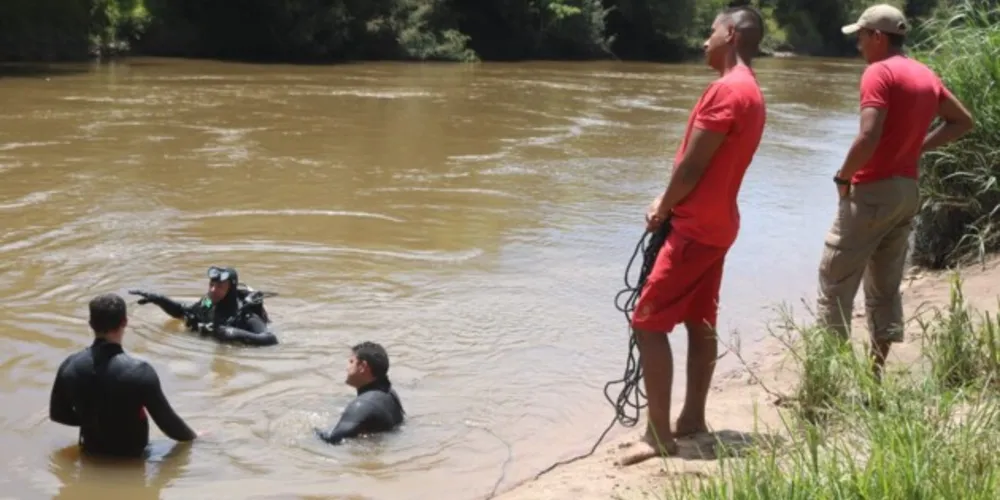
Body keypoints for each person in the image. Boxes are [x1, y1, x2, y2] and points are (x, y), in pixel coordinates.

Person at [617, 5, 767, 466]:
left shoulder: (726, 91)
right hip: (719, 225)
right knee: (700, 322)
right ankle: (693, 421)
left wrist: (662, 206)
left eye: (710, 32)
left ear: (731, 35)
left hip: (695, 228)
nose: (705, 41)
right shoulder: (752, 92)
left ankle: (659, 435)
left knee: (647, 321)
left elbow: (692, 166)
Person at [817, 4, 974, 379]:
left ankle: (825, 380)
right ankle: (874, 376)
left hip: (872, 191)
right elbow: (962, 122)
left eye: (860, 36)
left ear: (878, 37)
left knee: (835, 280)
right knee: (885, 287)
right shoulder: (924, 74)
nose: (858, 44)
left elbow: (868, 136)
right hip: (907, 191)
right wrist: (917, 147)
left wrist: (844, 177)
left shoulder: (879, 73)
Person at [49, 293, 199, 458]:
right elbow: (170, 426)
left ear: (91, 324)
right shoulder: (140, 372)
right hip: (132, 460)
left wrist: (93, 420)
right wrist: (196, 438)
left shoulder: (70, 366)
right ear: (125, 322)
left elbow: (57, 414)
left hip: (91, 454)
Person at [129, 266, 279, 347]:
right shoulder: (208, 303)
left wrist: (235, 333)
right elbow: (184, 312)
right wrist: (160, 300)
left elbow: (270, 339)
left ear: (231, 290)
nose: (213, 290)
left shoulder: (245, 316)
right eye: (211, 285)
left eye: (219, 286)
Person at [314, 342, 405, 444]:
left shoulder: (362, 405)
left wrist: (313, 432)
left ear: (362, 366)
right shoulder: (389, 392)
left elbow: (333, 439)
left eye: (351, 362)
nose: (347, 368)